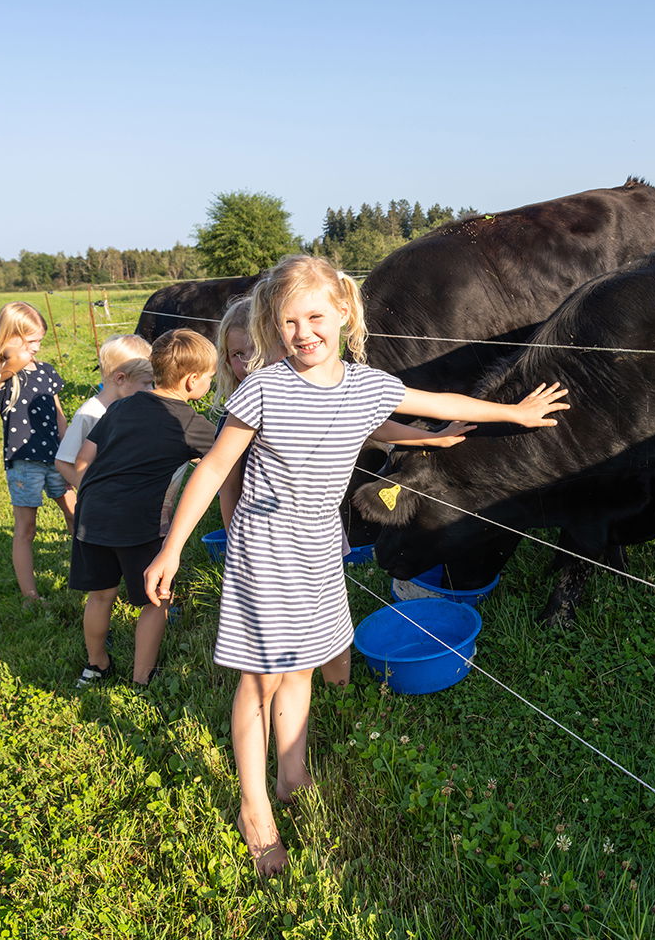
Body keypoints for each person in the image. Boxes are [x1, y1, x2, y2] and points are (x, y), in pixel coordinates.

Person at [142, 255, 569, 877]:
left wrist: (514, 413)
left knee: (303, 667)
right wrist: (173, 546)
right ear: (272, 325)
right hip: (264, 549)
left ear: (343, 311)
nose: (303, 332)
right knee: (260, 680)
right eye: (288, 322)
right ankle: (254, 808)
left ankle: (293, 774)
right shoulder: (263, 388)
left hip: (321, 548)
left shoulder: (368, 386)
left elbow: (432, 400)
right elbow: (211, 470)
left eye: (315, 316)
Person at [210, 293, 469, 687]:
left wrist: (427, 439)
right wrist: (233, 539)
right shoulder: (243, 411)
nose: (249, 364)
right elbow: (226, 483)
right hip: (265, 543)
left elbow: (374, 424)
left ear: (278, 343)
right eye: (237, 354)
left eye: (257, 351)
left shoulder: (313, 391)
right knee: (280, 634)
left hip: (316, 533)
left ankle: (338, 688)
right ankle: (290, 675)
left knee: (330, 610)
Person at [68, 329, 217, 689]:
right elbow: (225, 457)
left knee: (101, 595)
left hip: (92, 514)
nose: (211, 383)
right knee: (155, 599)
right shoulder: (191, 424)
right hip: (141, 523)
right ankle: (142, 677)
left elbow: (83, 460)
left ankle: (96, 665)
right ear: (192, 380)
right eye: (211, 377)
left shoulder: (120, 406)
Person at [0, 301, 75, 606]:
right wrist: (14, 353)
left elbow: (59, 414)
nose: (36, 347)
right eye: (31, 340)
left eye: (39, 341)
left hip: (57, 457)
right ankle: (30, 595)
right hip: (24, 462)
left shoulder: (47, 371)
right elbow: (3, 371)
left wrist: (69, 449)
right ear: (9, 337)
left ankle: (86, 571)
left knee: (76, 514)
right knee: (26, 528)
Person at [54, 334, 154, 490]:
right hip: (104, 504)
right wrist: (90, 493)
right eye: (146, 384)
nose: (151, 390)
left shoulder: (136, 408)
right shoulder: (89, 414)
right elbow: (63, 461)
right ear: (120, 379)